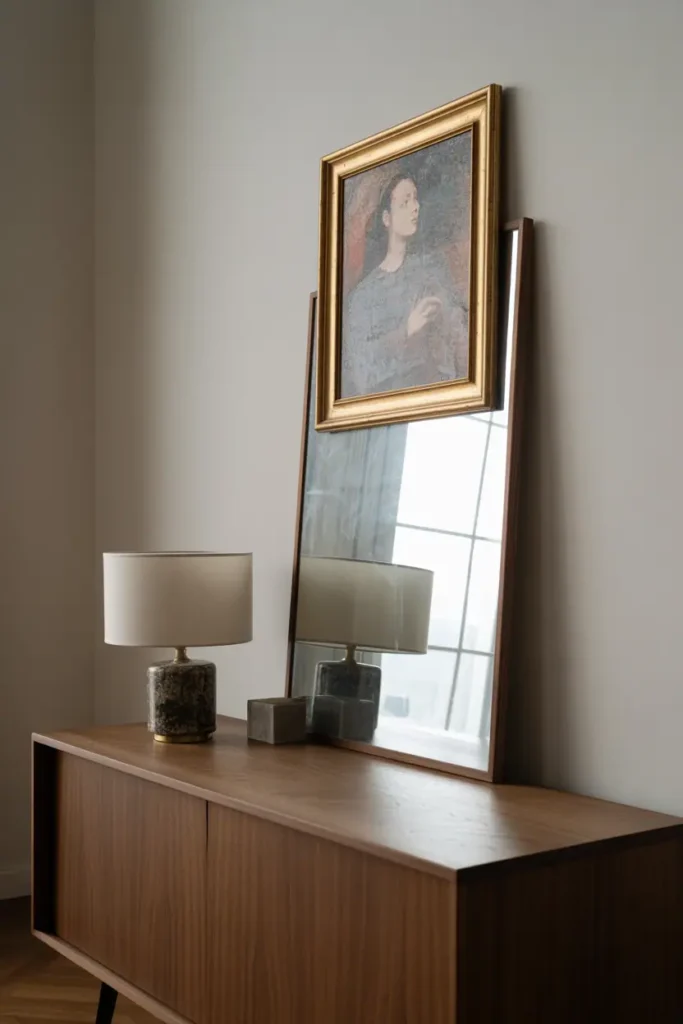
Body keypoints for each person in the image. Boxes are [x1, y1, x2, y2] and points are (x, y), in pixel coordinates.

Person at [341, 174, 468, 399]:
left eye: (416, 199)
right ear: (386, 218)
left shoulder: (433, 269)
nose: (415, 207)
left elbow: (458, 334)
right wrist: (407, 330)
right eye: (405, 202)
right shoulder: (364, 295)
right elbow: (362, 372)